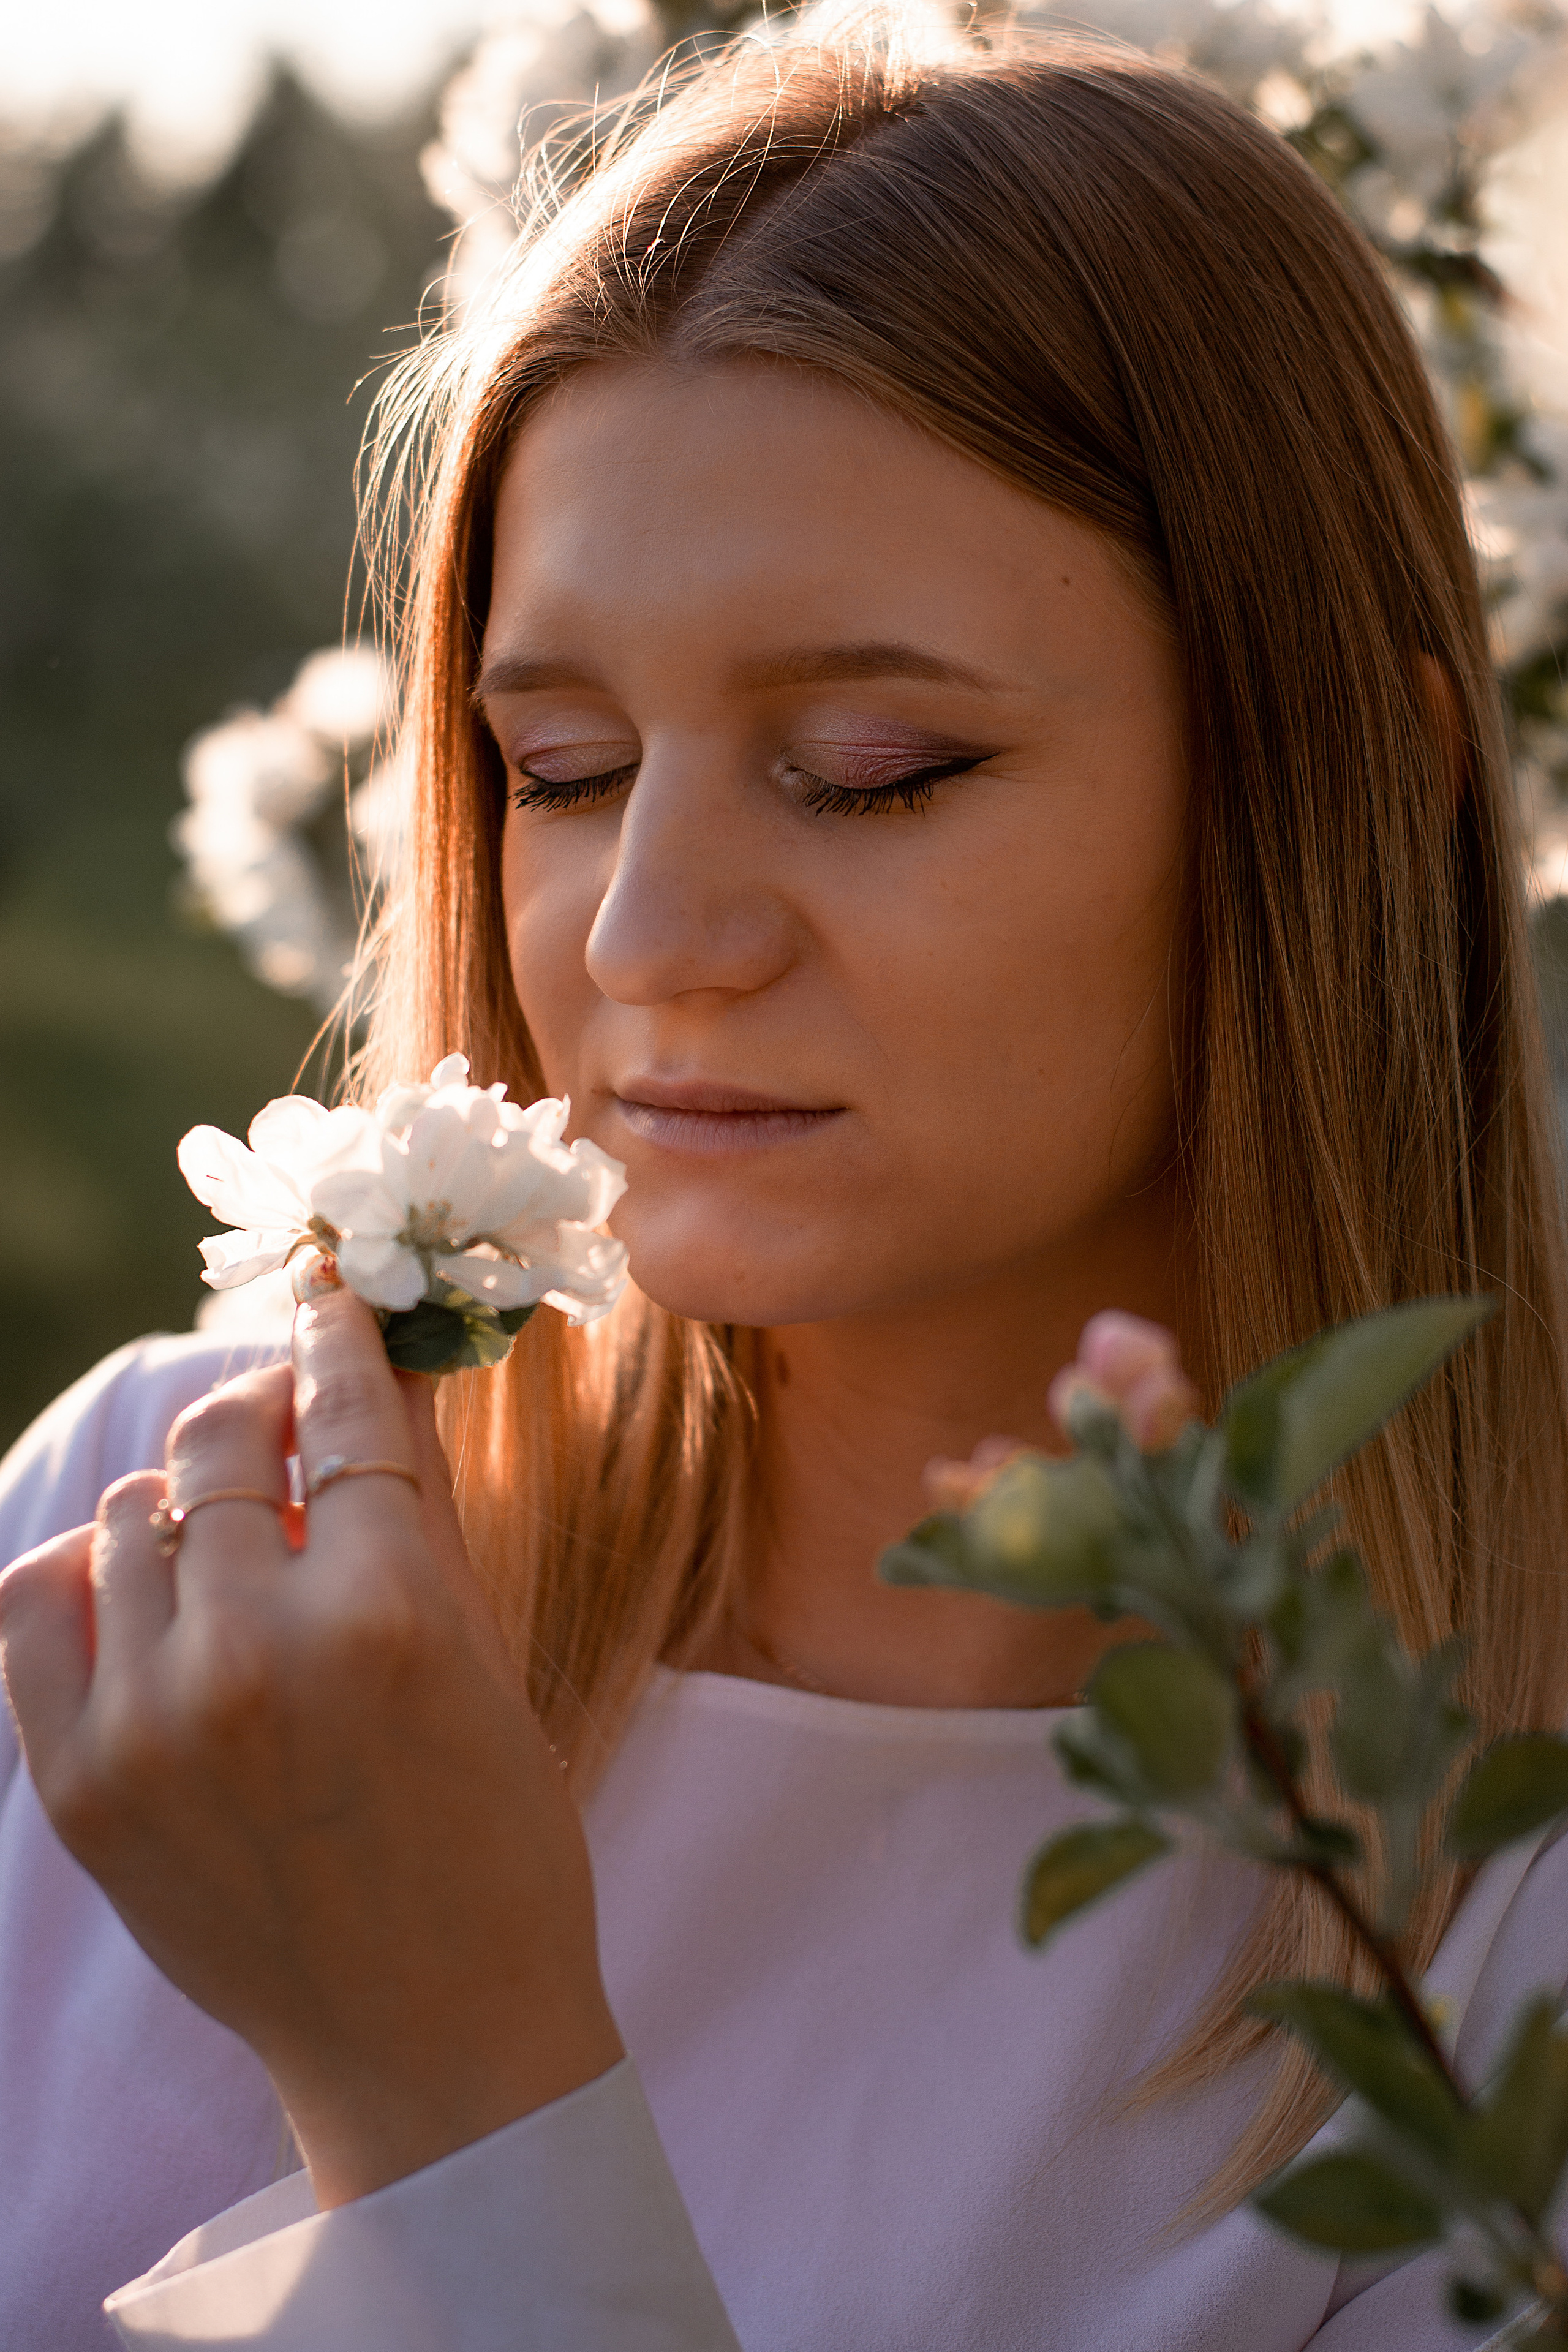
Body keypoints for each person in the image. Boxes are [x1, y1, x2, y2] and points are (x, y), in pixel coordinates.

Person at [2, 12, 1567, 2346]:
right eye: (558, 766)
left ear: (1349, 777)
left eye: (871, 767)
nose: (645, 941)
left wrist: (460, 2102)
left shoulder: (1495, 1877)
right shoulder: (165, 1564)